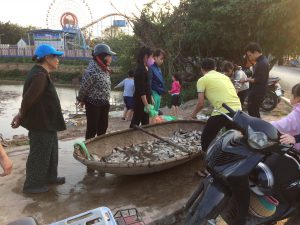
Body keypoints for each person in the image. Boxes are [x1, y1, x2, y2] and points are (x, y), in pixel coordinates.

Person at [11, 44, 66, 194]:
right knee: (40, 153)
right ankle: (32, 185)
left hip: (47, 122)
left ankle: (50, 177)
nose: (58, 60)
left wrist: (20, 114)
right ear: (47, 58)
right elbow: (28, 99)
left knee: (51, 151)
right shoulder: (39, 76)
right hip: (41, 123)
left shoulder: (40, 73)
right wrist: (20, 116)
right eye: (55, 57)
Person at [190, 58, 242, 152]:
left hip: (223, 111)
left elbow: (200, 103)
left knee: (206, 139)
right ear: (215, 68)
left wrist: (193, 115)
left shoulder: (202, 80)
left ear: (202, 69)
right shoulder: (225, 77)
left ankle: (208, 162)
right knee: (232, 137)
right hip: (238, 110)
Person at [77, 43, 116, 140]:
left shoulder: (104, 69)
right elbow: (84, 88)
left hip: (104, 102)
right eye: (109, 56)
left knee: (103, 127)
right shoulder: (92, 71)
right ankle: (88, 149)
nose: (111, 58)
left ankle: (100, 146)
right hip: (93, 103)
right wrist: (81, 99)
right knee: (92, 128)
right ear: (102, 57)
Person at [241, 42, 269, 118]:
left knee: (253, 112)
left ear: (256, 52)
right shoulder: (260, 61)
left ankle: (257, 128)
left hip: (258, 93)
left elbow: (259, 80)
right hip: (256, 91)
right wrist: (249, 79)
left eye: (250, 55)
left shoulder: (262, 63)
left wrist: (247, 79)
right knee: (253, 111)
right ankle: (257, 127)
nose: (249, 58)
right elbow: (257, 77)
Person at [270, 83, 300, 151]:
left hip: (297, 150)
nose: (290, 98)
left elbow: (279, 125)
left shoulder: (296, 115)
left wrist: (261, 124)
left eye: (292, 95)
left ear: (298, 99)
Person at [130, 46, 154, 128]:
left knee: (145, 121)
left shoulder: (147, 68)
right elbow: (141, 89)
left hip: (147, 99)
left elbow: (148, 85)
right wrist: (146, 104)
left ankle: (144, 138)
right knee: (136, 120)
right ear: (145, 56)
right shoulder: (140, 69)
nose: (152, 59)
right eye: (151, 57)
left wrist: (151, 97)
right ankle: (129, 138)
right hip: (140, 100)